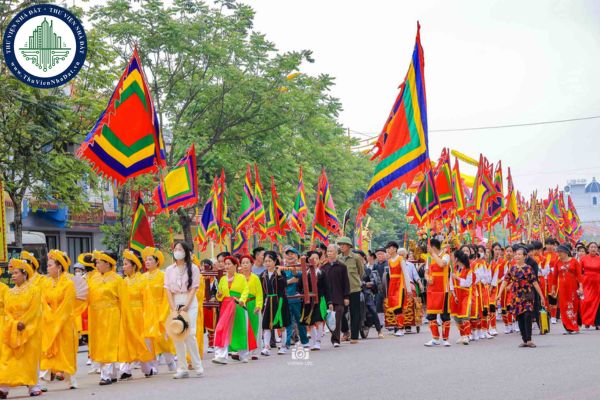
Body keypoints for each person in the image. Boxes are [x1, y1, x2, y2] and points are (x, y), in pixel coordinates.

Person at [0, 259, 43, 398]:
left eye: (16, 273)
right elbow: (7, 312)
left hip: (29, 330)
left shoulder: (34, 290)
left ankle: (33, 386)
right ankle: (4, 387)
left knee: (30, 358)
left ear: (25, 274)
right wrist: (13, 323)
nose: (13, 275)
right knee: (8, 358)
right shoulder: (9, 293)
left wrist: (23, 323)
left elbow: (35, 310)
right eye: (12, 273)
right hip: (12, 330)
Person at [164, 241, 204, 378]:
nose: (177, 251)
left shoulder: (193, 268)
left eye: (180, 249)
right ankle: (182, 368)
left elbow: (194, 288)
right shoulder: (169, 270)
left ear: (186, 252)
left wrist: (187, 305)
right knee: (177, 335)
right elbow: (168, 289)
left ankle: (197, 364)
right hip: (175, 301)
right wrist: (172, 306)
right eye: (175, 249)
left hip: (190, 301)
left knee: (190, 333)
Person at [39, 250, 78, 390]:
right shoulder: (45, 283)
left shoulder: (68, 283)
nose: (47, 268)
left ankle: (71, 379)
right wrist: (49, 315)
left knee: (65, 351)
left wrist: (57, 319)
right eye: (47, 265)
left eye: (50, 265)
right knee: (47, 350)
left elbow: (68, 305)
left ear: (59, 267)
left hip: (65, 323)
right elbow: (43, 301)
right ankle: (43, 380)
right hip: (49, 322)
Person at [497, 246, 546, 348]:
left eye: (519, 254)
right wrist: (499, 294)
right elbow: (505, 282)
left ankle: (529, 340)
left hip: (527, 296)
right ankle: (524, 339)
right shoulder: (512, 269)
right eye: (516, 254)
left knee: (527, 315)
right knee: (519, 317)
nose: (517, 256)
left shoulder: (528, 268)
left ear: (525, 256)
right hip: (516, 297)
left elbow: (535, 283)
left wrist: (542, 297)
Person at [88, 250, 125, 385]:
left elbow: (123, 300)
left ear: (108, 264)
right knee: (100, 344)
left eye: (99, 262)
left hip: (112, 314)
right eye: (96, 262)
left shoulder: (117, 279)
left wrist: (125, 319)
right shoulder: (93, 278)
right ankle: (113, 373)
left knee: (108, 343)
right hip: (96, 315)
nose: (96, 265)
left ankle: (106, 375)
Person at [118, 250, 154, 379]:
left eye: (126, 264)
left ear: (134, 266)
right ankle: (125, 369)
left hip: (139, 314)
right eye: (123, 263)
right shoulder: (123, 281)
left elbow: (148, 300)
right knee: (126, 341)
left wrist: (147, 315)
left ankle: (147, 368)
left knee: (139, 341)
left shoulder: (142, 280)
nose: (123, 266)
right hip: (126, 315)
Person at [141, 246, 176, 376]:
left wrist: (164, 313)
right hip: (147, 312)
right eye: (146, 260)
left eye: (150, 259)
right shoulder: (143, 277)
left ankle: (170, 361)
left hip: (160, 310)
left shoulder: (163, 276)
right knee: (149, 339)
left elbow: (166, 295)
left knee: (163, 338)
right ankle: (152, 365)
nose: (147, 262)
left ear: (157, 261)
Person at [213, 256, 251, 364]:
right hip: (225, 306)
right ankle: (221, 355)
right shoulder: (222, 279)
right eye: (226, 264)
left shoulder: (241, 278)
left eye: (229, 264)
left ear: (235, 265)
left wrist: (242, 300)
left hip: (237, 304)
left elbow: (245, 290)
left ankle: (243, 354)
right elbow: (219, 294)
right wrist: (218, 295)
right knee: (222, 329)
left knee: (240, 329)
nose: (227, 266)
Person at [259, 251, 290, 355]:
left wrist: (280, 274)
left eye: (269, 261)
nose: (267, 263)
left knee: (281, 324)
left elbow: (283, 285)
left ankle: (283, 346)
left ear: (275, 261)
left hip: (279, 301)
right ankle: (267, 347)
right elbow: (262, 291)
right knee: (266, 325)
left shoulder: (280, 272)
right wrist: (262, 303)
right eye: (265, 261)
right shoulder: (263, 275)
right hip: (268, 301)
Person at [424, 239, 452, 347]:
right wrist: (427, 278)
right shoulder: (429, 258)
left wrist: (433, 254)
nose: (427, 249)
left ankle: (445, 339)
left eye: (428, 247)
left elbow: (441, 264)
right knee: (431, 315)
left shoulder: (446, 255)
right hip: (432, 289)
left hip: (443, 288)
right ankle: (435, 338)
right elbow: (426, 272)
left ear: (434, 247)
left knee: (445, 314)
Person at [337, 237, 364, 344]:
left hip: (354, 289)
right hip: (341, 290)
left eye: (343, 244)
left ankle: (354, 336)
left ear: (349, 246)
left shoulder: (356, 258)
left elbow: (361, 272)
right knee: (341, 312)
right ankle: (345, 331)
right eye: (340, 245)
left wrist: (355, 281)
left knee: (355, 313)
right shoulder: (338, 258)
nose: (341, 246)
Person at [299, 251, 329, 350]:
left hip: (320, 299)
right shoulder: (305, 272)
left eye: (316, 258)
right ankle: (314, 340)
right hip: (308, 300)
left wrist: (329, 302)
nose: (314, 260)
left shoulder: (322, 273)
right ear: (308, 260)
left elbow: (326, 288)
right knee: (310, 322)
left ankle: (318, 342)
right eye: (312, 258)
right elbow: (300, 286)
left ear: (319, 260)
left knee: (319, 320)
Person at [323, 244, 350, 348]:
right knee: (329, 319)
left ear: (336, 253)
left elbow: (346, 283)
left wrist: (346, 296)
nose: (329, 253)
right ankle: (334, 335)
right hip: (326, 298)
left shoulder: (342, 266)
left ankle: (335, 340)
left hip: (339, 297)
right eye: (328, 251)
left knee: (337, 319)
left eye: (331, 251)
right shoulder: (324, 267)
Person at [553, 245, 584, 334]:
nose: (558, 254)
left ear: (566, 252)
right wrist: (553, 289)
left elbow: (579, 276)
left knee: (573, 306)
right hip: (562, 288)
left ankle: (574, 326)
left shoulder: (574, 261)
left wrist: (581, 287)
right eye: (558, 252)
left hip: (573, 288)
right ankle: (568, 327)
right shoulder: (557, 262)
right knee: (563, 306)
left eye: (560, 252)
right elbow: (555, 277)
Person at [283, 248, 309, 350]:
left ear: (297, 256)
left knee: (300, 321)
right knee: (288, 322)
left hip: (298, 299)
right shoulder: (284, 268)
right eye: (288, 254)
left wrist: (289, 281)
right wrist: (290, 281)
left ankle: (305, 341)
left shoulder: (300, 267)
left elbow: (300, 278)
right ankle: (287, 343)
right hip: (286, 299)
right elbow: (283, 282)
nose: (290, 256)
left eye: (292, 254)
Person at [239, 255, 263, 360]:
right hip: (241, 304)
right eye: (243, 263)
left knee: (254, 327)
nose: (245, 265)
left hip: (252, 303)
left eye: (247, 263)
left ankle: (254, 351)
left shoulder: (255, 278)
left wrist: (258, 305)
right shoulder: (238, 278)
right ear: (240, 265)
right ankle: (243, 351)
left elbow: (259, 294)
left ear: (251, 264)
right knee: (243, 327)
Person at [450, 249, 474, 345]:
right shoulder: (454, 269)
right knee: (456, 317)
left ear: (457, 259)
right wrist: (454, 294)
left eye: (454, 257)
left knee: (465, 316)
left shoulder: (468, 270)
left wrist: (458, 278)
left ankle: (467, 336)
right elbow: (451, 283)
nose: (453, 259)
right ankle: (462, 335)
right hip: (456, 295)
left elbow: (468, 283)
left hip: (465, 295)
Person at [385, 241, 407, 337]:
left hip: (400, 285)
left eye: (389, 248)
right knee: (394, 307)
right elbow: (390, 275)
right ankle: (400, 327)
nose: (388, 250)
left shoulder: (400, 259)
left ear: (394, 249)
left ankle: (401, 328)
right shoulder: (389, 261)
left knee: (399, 307)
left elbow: (406, 274)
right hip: (392, 285)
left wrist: (408, 289)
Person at [399, 247, 423, 334]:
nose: (401, 256)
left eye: (403, 254)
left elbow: (416, 277)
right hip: (399, 285)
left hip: (410, 285)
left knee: (409, 303)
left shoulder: (410, 265)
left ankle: (408, 324)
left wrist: (420, 284)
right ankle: (399, 324)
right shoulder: (395, 264)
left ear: (406, 255)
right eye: (399, 254)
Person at [360, 253, 384, 339]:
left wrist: (367, 284)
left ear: (363, 258)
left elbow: (373, 281)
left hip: (366, 292)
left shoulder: (367, 270)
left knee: (372, 309)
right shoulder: (350, 270)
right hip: (355, 291)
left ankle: (379, 330)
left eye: (359, 258)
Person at [580, 242, 600, 329]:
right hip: (586, 283)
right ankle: (587, 321)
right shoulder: (583, 259)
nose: (593, 249)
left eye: (595, 247)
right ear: (588, 249)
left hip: (597, 283)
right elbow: (579, 272)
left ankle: (597, 322)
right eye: (591, 247)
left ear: (597, 249)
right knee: (586, 302)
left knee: (597, 303)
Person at [488, 243, 506, 336]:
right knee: (489, 307)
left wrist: (500, 280)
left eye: (499, 249)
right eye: (496, 249)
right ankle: (488, 327)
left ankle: (493, 327)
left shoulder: (503, 261)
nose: (497, 251)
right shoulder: (489, 262)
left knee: (493, 306)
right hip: (489, 285)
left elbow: (506, 274)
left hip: (499, 285)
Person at [500, 245, 516, 333]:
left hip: (512, 287)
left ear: (513, 253)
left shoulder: (515, 263)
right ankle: (507, 325)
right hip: (503, 287)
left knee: (510, 305)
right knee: (503, 307)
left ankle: (513, 323)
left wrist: (512, 284)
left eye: (510, 251)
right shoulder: (502, 263)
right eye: (507, 251)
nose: (508, 253)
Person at [372, 248, 388, 314]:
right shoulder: (375, 265)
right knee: (378, 305)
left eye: (381, 254)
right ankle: (381, 323)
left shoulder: (388, 263)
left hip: (388, 288)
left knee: (388, 304)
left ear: (385, 255)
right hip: (378, 289)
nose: (380, 256)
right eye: (378, 254)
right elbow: (372, 276)